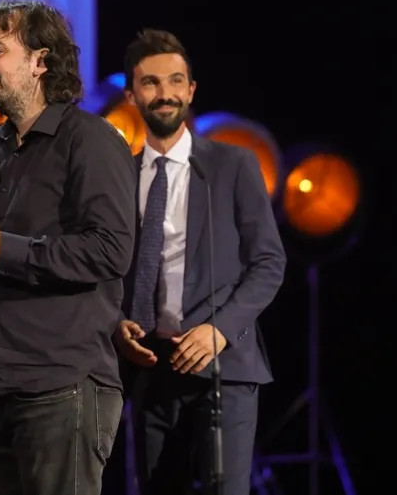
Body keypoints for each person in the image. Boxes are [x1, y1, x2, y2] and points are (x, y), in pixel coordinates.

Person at [0, 0, 137, 495]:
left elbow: (111, 249)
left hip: (62, 384)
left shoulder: (90, 140)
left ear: (40, 61)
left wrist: (2, 250)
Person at [107, 29, 286, 495]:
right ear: (131, 94)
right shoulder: (117, 175)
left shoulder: (234, 165)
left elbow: (268, 261)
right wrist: (117, 321)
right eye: (150, 83)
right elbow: (103, 267)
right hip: (148, 366)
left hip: (224, 363)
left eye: (175, 81)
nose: (164, 93)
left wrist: (220, 328)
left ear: (191, 90)